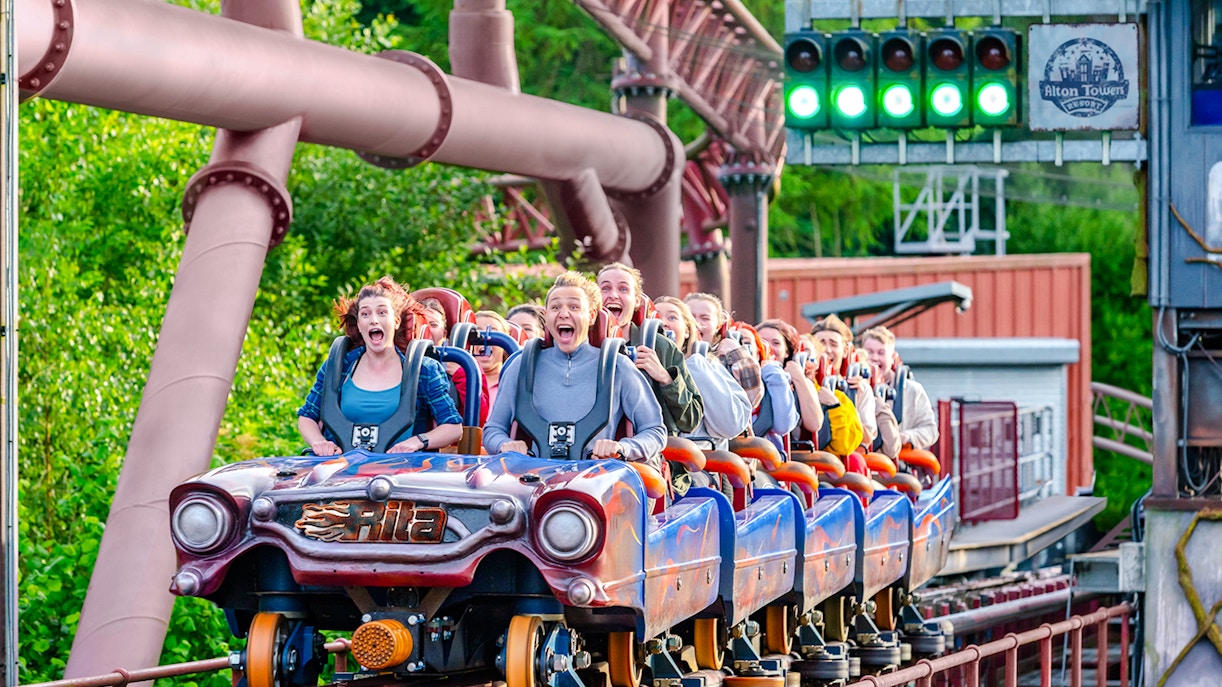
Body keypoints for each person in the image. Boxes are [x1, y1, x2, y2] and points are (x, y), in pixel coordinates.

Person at [483, 272, 666, 465]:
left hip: (597, 479)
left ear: (592, 316)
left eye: (574, 307)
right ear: (547, 316)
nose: (563, 313)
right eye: (555, 307)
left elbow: (655, 431)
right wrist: (505, 445)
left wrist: (622, 448)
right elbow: (492, 430)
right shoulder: (521, 365)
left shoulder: (618, 366)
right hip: (537, 477)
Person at [297, 277, 463, 456]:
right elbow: (307, 416)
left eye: (382, 313)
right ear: (359, 324)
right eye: (366, 314)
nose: (374, 320)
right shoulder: (338, 366)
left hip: (400, 471)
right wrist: (320, 442)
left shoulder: (423, 370)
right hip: (342, 469)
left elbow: (453, 427)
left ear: (396, 321)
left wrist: (417, 442)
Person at [596, 263, 704, 436]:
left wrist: (665, 378)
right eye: (605, 288)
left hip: (651, 454)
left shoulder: (660, 346)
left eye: (623, 289)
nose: (613, 295)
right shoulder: (583, 345)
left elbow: (691, 419)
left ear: (637, 300)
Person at [655, 296, 751, 448]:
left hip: (698, 462)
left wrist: (694, 368)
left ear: (687, 330)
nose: (663, 322)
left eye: (672, 317)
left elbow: (733, 424)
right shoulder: (636, 362)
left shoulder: (704, 364)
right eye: (656, 316)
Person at [860, 325, 938, 450]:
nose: (874, 358)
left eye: (881, 353)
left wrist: (907, 437)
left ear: (892, 357)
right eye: (869, 352)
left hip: (899, 461)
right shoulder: (853, 387)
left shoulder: (913, 390)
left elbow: (931, 430)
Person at [684, 292, 764, 409]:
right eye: (691, 317)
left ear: (718, 325)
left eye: (705, 318)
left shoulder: (727, 357)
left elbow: (752, 398)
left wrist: (737, 354)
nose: (696, 323)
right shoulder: (671, 352)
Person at [811, 314, 877, 448]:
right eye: (822, 343)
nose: (827, 350)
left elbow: (866, 440)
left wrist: (850, 404)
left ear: (845, 351)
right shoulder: (802, 382)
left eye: (834, 344)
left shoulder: (858, 389)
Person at [757, 319, 827, 437]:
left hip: (783, 450)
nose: (768, 347)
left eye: (776, 343)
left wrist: (798, 377)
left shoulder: (800, 380)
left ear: (786, 352)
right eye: (762, 342)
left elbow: (814, 424)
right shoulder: (742, 374)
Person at [473, 310, 509, 406]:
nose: (485, 339)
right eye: (477, 332)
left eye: (494, 333)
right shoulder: (457, 381)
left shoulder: (514, 382)